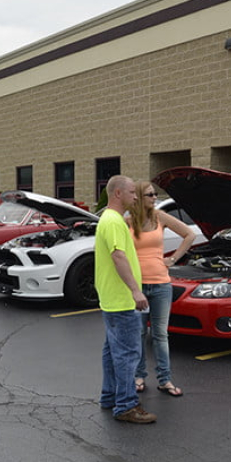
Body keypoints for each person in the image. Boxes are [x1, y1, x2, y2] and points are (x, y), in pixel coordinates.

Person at [95, 175, 157, 424]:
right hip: (121, 300)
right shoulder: (113, 221)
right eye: (132, 192)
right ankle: (126, 405)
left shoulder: (109, 219)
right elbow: (118, 256)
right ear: (118, 193)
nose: (136, 197)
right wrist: (135, 290)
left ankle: (110, 397)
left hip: (112, 298)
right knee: (128, 354)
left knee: (113, 352)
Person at [128, 181, 196, 397]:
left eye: (155, 194)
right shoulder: (128, 221)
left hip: (161, 284)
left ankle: (165, 380)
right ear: (139, 197)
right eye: (150, 194)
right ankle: (139, 376)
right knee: (139, 333)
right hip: (138, 286)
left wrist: (173, 259)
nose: (154, 197)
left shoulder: (160, 217)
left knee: (160, 334)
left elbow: (189, 235)